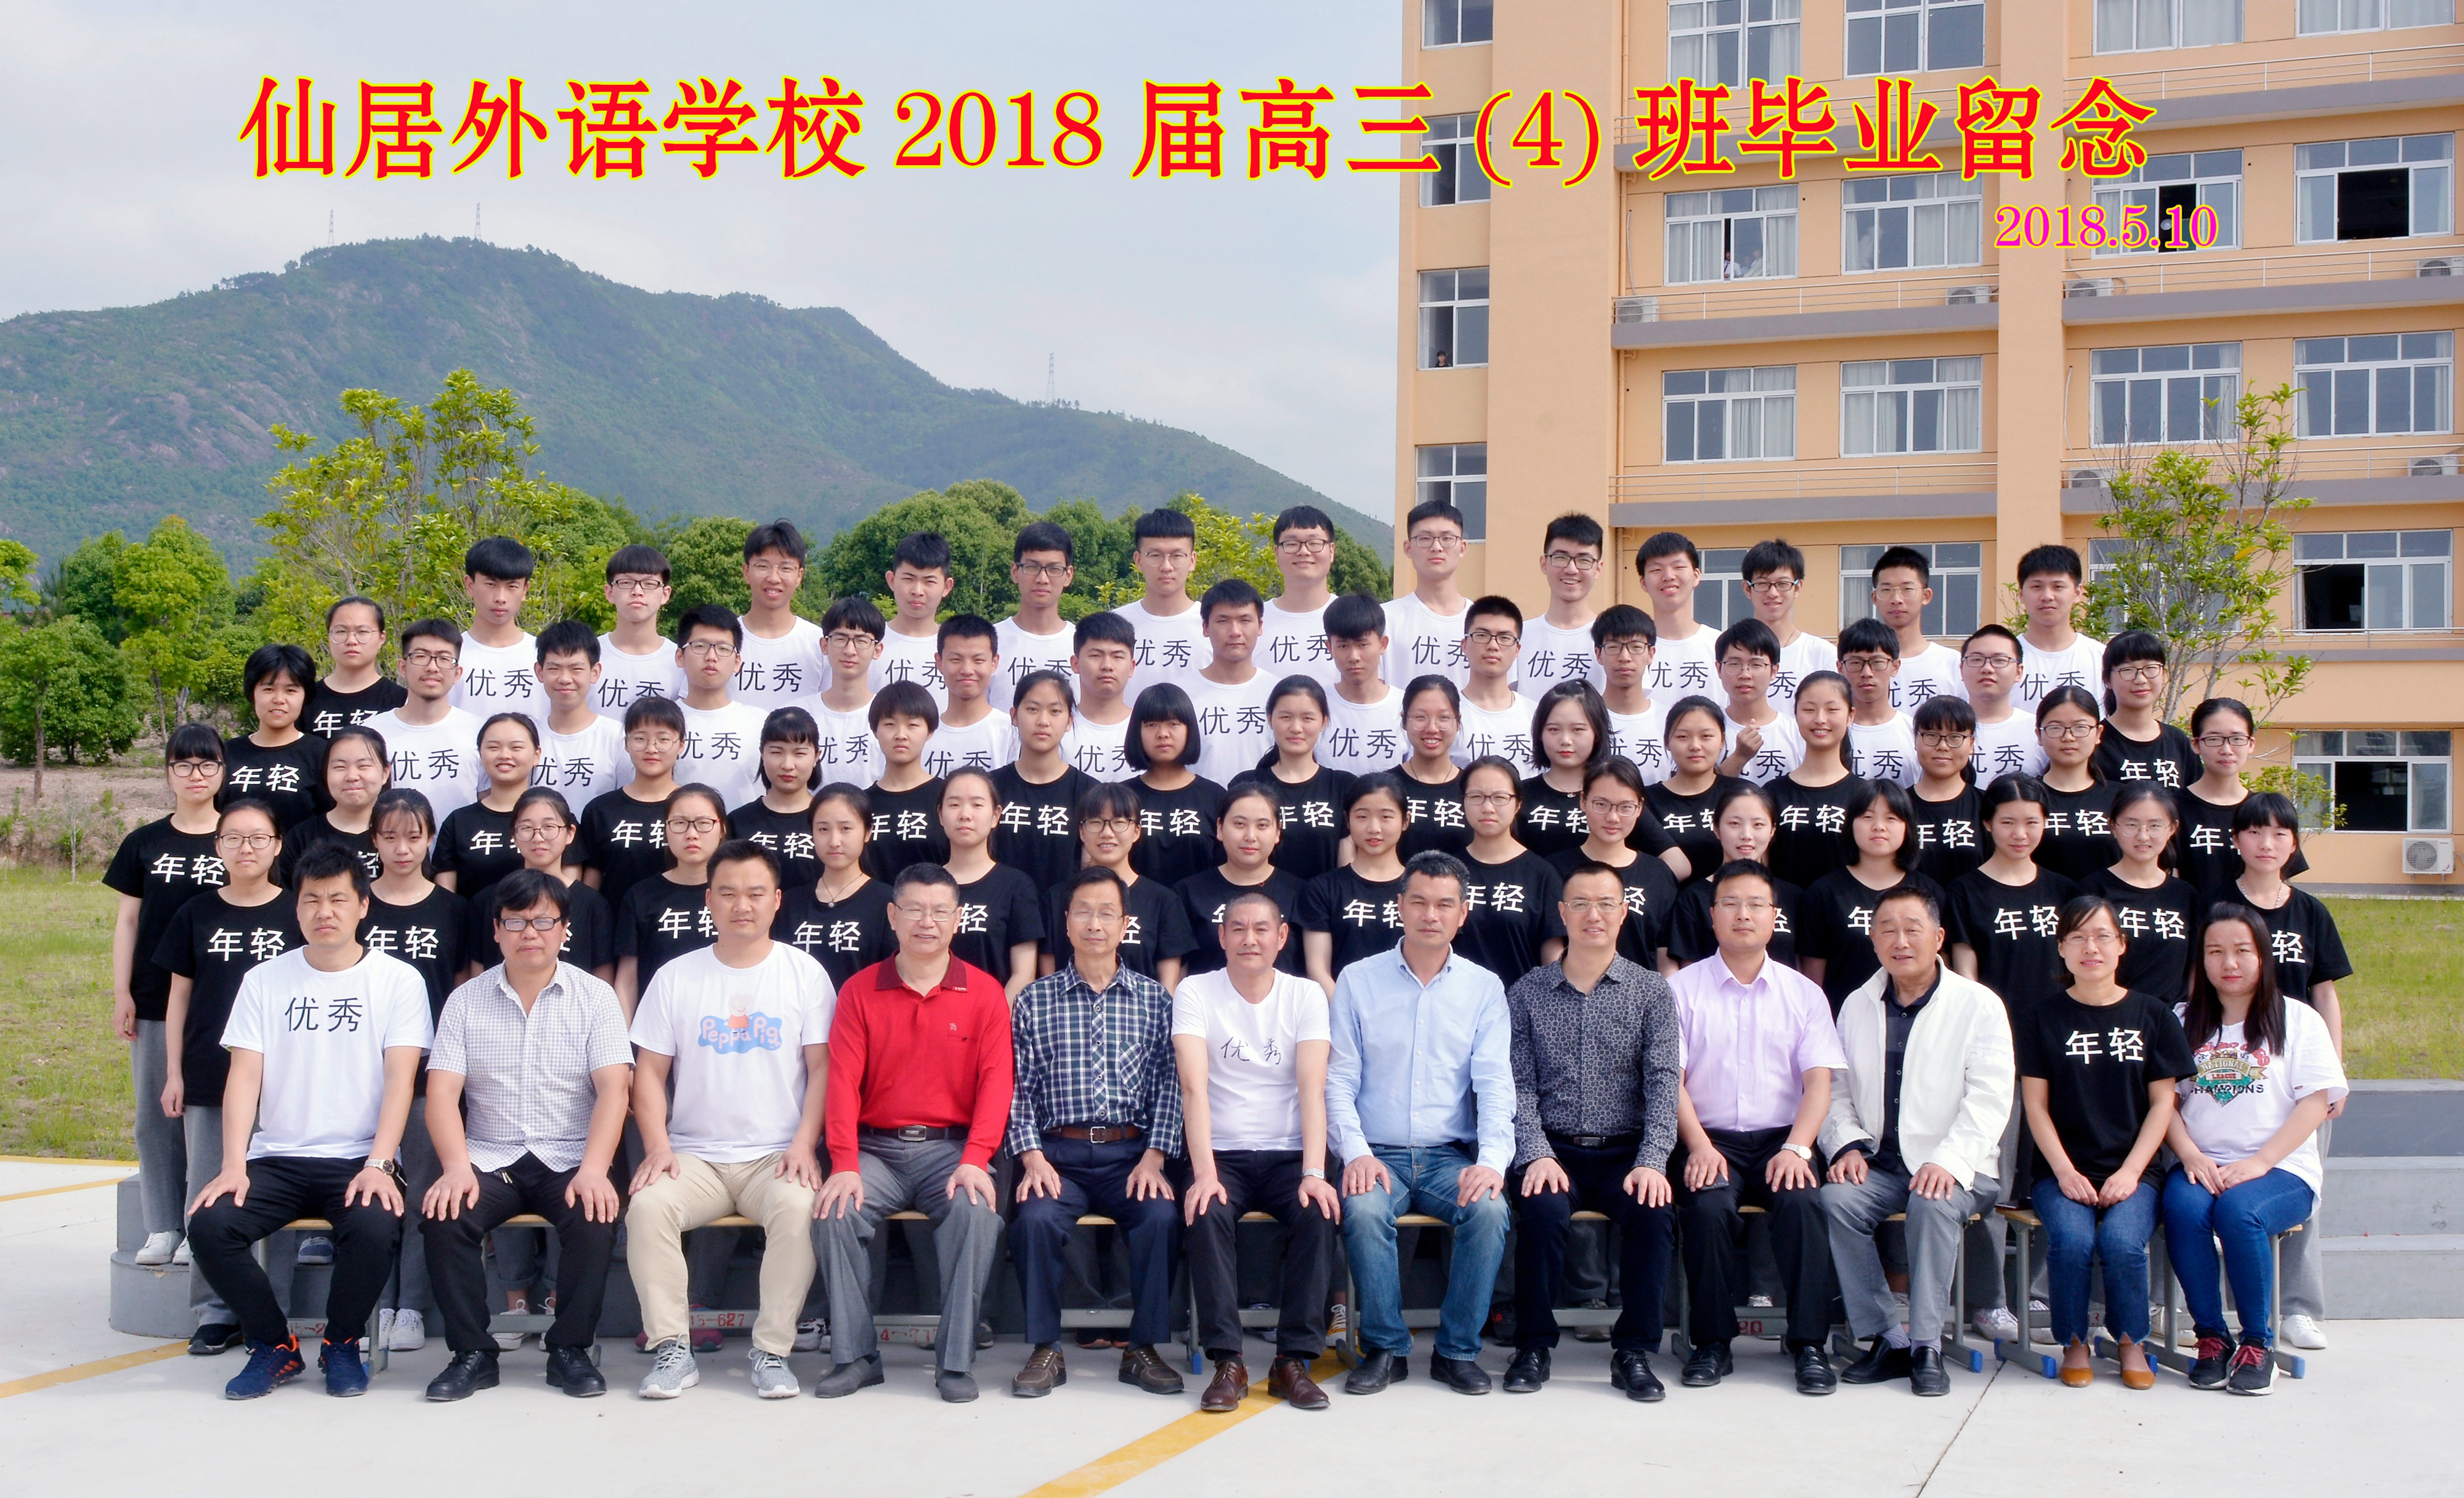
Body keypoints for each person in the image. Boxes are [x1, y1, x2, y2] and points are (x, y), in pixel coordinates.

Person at [184, 845, 432, 1399]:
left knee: (374, 1226)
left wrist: (380, 1163)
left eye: (338, 899)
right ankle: (274, 1345)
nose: (325, 911)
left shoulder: (398, 981)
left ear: (363, 906)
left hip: (359, 1157)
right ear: (295, 908)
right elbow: (244, 1078)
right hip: (277, 1157)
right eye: (312, 899)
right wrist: (233, 1164)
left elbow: (401, 1080)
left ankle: (342, 1343)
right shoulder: (264, 981)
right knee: (210, 1225)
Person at [625, 841, 835, 1400]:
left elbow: (822, 1069)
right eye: (729, 893)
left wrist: (804, 1143)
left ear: (776, 901)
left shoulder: (804, 974)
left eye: (755, 893)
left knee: (799, 1209)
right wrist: (658, 1147)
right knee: (648, 1208)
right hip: (694, 1157)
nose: (742, 905)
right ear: (709, 900)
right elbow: (648, 1074)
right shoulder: (677, 976)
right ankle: (672, 1349)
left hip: (776, 1155)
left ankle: (772, 1352)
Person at [418, 869, 634, 1401]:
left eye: (543, 921)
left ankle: (570, 1350)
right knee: (446, 1216)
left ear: (565, 930)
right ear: (496, 930)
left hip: (569, 1156)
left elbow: (614, 1090)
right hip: (491, 1159)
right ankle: (472, 1354)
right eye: (515, 922)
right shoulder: (466, 1001)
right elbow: (442, 1094)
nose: (529, 933)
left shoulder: (596, 997)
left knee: (594, 1216)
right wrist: (456, 1168)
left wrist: (594, 1169)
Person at [814, 863, 1014, 1404]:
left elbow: (997, 1084)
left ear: (957, 919)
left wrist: (976, 1157)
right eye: (915, 910)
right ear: (892, 916)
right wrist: (844, 1162)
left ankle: (956, 1360)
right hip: (875, 1149)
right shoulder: (860, 990)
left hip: (951, 1150)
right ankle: (855, 1357)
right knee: (834, 1212)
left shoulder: (984, 993)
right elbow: (842, 1082)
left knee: (976, 1212)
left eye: (940, 911)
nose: (928, 922)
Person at [1327, 852, 1514, 1396]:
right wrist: (1357, 1153)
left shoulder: (1483, 987)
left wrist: (1491, 1163)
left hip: (1447, 1158)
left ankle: (1457, 1351)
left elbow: (1495, 1084)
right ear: (1400, 906)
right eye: (1420, 902)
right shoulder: (1358, 980)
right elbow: (1338, 1081)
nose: (1431, 915)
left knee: (1489, 1209)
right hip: (1376, 1153)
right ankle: (1386, 1348)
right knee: (1364, 1210)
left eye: (1444, 905)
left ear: (1463, 913)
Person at [1819, 886, 2014, 1397]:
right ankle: (1890, 1337)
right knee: (1836, 1201)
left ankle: (1928, 1345)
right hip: (1882, 1165)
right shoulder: (1858, 1004)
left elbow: (1991, 1098)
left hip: (1961, 1166)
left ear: (1939, 938)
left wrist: (1948, 1161)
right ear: (1873, 939)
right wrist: (1847, 1146)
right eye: (1888, 930)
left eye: (1912, 929)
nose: (1900, 941)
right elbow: (1835, 1089)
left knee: (1931, 1203)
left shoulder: (1978, 1005)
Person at [1006, 867, 1188, 1398]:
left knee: (1160, 1218)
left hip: (1131, 1154)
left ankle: (1143, 1349)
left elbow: (1171, 1084)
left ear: (1125, 923)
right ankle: (1045, 1349)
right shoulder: (1035, 1000)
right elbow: (1017, 1088)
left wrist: (1155, 1156)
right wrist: (1031, 1157)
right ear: (1066, 922)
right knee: (1035, 1221)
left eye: (1107, 913)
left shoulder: (1155, 1000)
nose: (1094, 924)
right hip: (1057, 1154)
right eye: (1083, 912)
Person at [1503, 859, 1681, 1400]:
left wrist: (1652, 1160)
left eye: (1606, 904)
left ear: (1624, 913)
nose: (1593, 915)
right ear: (1563, 912)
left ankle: (1634, 1352)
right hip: (1553, 1149)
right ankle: (1533, 1345)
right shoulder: (1528, 991)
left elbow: (1664, 1082)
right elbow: (1518, 1084)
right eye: (1581, 903)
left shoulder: (1651, 991)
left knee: (1653, 1212)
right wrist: (1536, 1152)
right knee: (1540, 1211)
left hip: (1626, 1151)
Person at [1667, 857, 1845, 1394]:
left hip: (1782, 1140)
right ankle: (1712, 1343)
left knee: (1804, 1206)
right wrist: (1698, 1146)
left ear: (1774, 916)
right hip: (1708, 1136)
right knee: (1708, 1209)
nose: (1743, 914)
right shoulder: (1680, 989)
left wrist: (1798, 1148)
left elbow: (1819, 1084)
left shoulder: (1804, 994)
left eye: (1755, 905)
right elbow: (1670, 1081)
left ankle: (1809, 1345)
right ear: (1712, 915)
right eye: (1730, 904)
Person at [2164, 904, 2349, 1395]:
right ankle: (2211, 1338)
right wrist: (2190, 1155)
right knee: (2183, 1209)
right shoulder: (2181, 1020)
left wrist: (2260, 1162)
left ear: (2264, 956)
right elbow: (2165, 1104)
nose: (2229, 963)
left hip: (2281, 1169)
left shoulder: (2299, 1019)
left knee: (2239, 1212)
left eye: (2242, 951)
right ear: (2201, 960)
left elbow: (2315, 1104)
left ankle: (2257, 1344)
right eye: (2215, 952)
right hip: (2202, 1164)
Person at [2014, 896, 2194, 1389]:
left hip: (2135, 1171)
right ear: (2061, 948)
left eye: (2102, 937)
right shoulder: (2040, 1017)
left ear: (2121, 945)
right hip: (2061, 1170)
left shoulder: (2154, 1015)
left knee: (2122, 1243)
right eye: (2077, 938)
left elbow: (2163, 1104)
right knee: (2072, 1242)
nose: (2090, 948)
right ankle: (2074, 1340)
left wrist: (2131, 1172)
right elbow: (2035, 1106)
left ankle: (2131, 1340)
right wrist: (2065, 1171)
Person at [1175, 888, 1340, 1412]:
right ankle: (1229, 1361)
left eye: (1262, 929)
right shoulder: (1196, 991)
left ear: (1282, 936)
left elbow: (1313, 1088)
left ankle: (1293, 1361)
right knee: (1206, 1211)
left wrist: (1314, 1171)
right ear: (1222, 936)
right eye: (1238, 928)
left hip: (1289, 1154)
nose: (1250, 939)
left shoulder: (1305, 995)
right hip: (1221, 1153)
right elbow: (1193, 1088)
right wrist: (1205, 1173)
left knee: (1318, 1211)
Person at [155, 798, 298, 1353]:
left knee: (277, 1197)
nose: (246, 848)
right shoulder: (196, 912)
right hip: (210, 1072)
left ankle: (272, 1310)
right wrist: (173, 1072)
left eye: (258, 838)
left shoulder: (297, 912)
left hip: (283, 1081)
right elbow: (179, 998)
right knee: (206, 1192)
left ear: (277, 846)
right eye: (234, 838)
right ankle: (213, 1311)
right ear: (218, 847)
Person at [2225, 793, 2351, 1352]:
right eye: (2255, 832)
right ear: (2236, 840)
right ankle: (2224, 1307)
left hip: (2300, 1074)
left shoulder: (2310, 912)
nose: (2266, 843)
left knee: (2301, 1186)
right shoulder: (2216, 906)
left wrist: (2333, 1073)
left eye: (2280, 834)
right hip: (2230, 1072)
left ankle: (2298, 1308)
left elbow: (2325, 993)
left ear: (2294, 845)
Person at [107, 723, 228, 1275]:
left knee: (210, 1118)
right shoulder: (145, 842)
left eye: (206, 764)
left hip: (223, 1000)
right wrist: (122, 991)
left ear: (222, 771)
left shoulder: (240, 836)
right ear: (168, 773)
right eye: (183, 765)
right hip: (156, 997)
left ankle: (201, 1224)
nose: (195, 775)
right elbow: (128, 921)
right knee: (156, 1114)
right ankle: (162, 1224)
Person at [359, 787, 468, 1354]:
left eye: (414, 836)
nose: (402, 849)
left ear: (430, 840)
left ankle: (412, 1308)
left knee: (423, 1189)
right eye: (390, 836)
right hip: (362, 1074)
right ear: (374, 840)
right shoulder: (356, 906)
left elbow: (464, 989)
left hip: (431, 1076)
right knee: (373, 1189)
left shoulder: (453, 910)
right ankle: (376, 1303)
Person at [1947, 776, 2077, 1013]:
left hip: (2057, 1022)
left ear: (2045, 822)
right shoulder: (1964, 892)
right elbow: (1966, 973)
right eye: (2007, 823)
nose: (2020, 834)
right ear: (1988, 823)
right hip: (1994, 1022)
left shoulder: (2063, 890)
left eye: (2031, 822)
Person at [1044, 781, 1195, 986]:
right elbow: (1048, 981)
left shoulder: (1164, 902)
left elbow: (1168, 988)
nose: (1107, 833)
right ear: (1081, 832)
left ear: (1136, 831)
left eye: (1119, 822)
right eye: (1095, 822)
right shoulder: (1056, 898)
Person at [466, 788, 617, 979]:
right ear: (514, 836)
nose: (538, 837)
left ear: (570, 833)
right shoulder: (488, 901)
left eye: (549, 827)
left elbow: (602, 977)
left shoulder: (592, 904)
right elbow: (478, 976)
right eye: (527, 828)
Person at [1549, 758, 1678, 973]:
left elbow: (1664, 954)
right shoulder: (1553, 870)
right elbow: (1551, 950)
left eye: (1626, 807)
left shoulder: (1658, 874)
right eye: (1601, 805)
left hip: (1641, 992)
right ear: (1583, 801)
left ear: (1640, 808)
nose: (1613, 817)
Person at [2179, 698, 2310, 902]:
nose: (2227, 749)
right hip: (2192, 919)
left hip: (2253, 921)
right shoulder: (2172, 808)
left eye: (2237, 739)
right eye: (2214, 739)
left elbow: (2281, 881)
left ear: (2251, 744)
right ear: (2196, 744)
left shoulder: (2264, 810)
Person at [1666, 782, 1805, 972]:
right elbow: (1688, 973)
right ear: (1716, 828)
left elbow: (1803, 967)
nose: (1746, 835)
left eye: (1758, 825)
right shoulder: (1693, 899)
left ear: (1772, 830)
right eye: (1734, 824)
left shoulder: (1794, 897)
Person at [1454, 756, 1566, 990]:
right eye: (1476, 797)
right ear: (1463, 802)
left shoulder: (1542, 875)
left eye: (1500, 798)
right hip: (1456, 1004)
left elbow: (1553, 962)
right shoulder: (1448, 871)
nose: (1488, 807)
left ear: (1517, 805)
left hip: (1520, 1006)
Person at [614, 785, 728, 1013]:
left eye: (704, 823)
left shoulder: (738, 895)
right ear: (666, 830)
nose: (692, 834)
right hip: (658, 1023)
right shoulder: (641, 896)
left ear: (722, 829)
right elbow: (627, 981)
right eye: (680, 823)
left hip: (725, 1023)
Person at [772, 784, 898, 989]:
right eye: (823, 829)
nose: (834, 841)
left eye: (845, 829)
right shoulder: (790, 904)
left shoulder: (888, 903)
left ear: (868, 832)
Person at [1230, 676, 1353, 882]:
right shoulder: (1247, 785)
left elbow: (1347, 866)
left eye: (1308, 718)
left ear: (1324, 722)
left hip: (1323, 901)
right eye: (1286, 717)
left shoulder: (1342, 787)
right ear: (1270, 719)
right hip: (1260, 901)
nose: (1296, 728)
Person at [937, 767, 1046, 998]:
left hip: (995, 1015)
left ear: (996, 816)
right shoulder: (925, 885)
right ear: (940, 815)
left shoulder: (1017, 886)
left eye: (977, 805)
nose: (965, 814)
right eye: (954, 805)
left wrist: (994, 1018)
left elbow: (1023, 975)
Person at [1178, 782, 1307, 978]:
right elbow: (1178, 974)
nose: (1250, 836)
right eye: (1240, 824)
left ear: (1277, 833)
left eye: (1262, 825)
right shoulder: (1188, 893)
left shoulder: (1301, 893)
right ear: (1220, 828)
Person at [2089, 785, 2201, 1008]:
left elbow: (2194, 967)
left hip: (2173, 1018)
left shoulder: (2185, 895)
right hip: (2111, 1015)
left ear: (2172, 828)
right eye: (2131, 825)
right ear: (2113, 826)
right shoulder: (2093, 890)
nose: (2143, 836)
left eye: (2155, 826)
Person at [1299, 773, 1412, 994]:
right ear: (1347, 820)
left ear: (1405, 821)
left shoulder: (1421, 888)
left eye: (1386, 817)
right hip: (1342, 1009)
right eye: (1362, 817)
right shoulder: (1323, 890)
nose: (1374, 828)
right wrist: (1348, 1011)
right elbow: (1318, 970)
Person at [989, 671, 1100, 894]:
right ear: (1014, 716)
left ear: (1069, 721)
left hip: (1065, 912)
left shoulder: (1090, 793)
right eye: (1032, 709)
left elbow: (1094, 869)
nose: (1043, 721)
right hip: (998, 910)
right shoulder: (989, 788)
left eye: (1055, 711)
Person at [367, 618, 484, 822]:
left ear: (458, 673)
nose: (432, 667)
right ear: (402, 667)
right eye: (421, 656)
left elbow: (488, 802)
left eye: (444, 659)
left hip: (460, 843)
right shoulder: (372, 733)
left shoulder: (480, 732)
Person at [579, 696, 687, 913]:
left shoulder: (695, 809)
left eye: (663, 739)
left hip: (678, 923)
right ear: (627, 744)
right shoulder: (601, 810)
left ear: (681, 745)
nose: (651, 748)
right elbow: (592, 881)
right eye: (640, 739)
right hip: (616, 925)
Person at [1124, 682, 1226, 886]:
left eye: (1173, 724)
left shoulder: (1215, 797)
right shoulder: (1122, 797)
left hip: (1201, 906)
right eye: (1151, 725)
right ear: (1137, 732)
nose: (1163, 734)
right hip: (1134, 905)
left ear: (1189, 730)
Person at [1766, 671, 1860, 890]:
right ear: (1796, 714)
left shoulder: (1864, 796)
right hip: (1783, 909)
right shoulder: (1773, 794)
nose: (1820, 719)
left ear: (1851, 716)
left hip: (1844, 908)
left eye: (1832, 710)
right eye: (1809, 710)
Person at [221, 643, 327, 833]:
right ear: (252, 693)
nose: (279, 699)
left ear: (305, 696)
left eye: (291, 691)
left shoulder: (323, 755)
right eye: (269, 689)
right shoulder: (226, 753)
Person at [670, 604, 769, 807]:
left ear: (737, 662)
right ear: (680, 656)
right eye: (700, 646)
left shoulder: (761, 723)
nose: (711, 657)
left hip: (745, 828)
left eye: (723, 649)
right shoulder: (662, 723)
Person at [434, 713, 541, 894]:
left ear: (537, 755)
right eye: (493, 747)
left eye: (516, 748)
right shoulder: (459, 822)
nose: (505, 755)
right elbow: (446, 899)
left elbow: (571, 890)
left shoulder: (555, 820)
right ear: (480, 754)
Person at [1645, 694, 1747, 882]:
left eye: (1706, 736)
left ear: (1722, 741)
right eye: (1683, 737)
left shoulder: (1742, 795)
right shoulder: (1646, 801)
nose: (1695, 746)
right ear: (1667, 742)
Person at [532, 621, 632, 813]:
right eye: (554, 669)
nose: (565, 679)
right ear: (540, 672)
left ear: (595, 672)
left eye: (576, 669)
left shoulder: (618, 738)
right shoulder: (526, 737)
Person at [1185, 578, 1276, 785]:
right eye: (1223, 621)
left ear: (1260, 626)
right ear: (1205, 627)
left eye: (1245, 620)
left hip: (1266, 804)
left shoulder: (1279, 693)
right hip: (1199, 804)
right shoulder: (1182, 694)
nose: (1235, 631)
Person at [275, 724, 389, 887]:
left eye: (363, 766)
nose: (352, 776)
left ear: (385, 773)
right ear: (326, 773)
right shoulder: (301, 838)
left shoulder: (400, 835)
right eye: (340, 767)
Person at [726, 708, 825, 892]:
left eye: (799, 753)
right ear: (762, 753)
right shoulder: (738, 822)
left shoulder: (830, 820)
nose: (787, 765)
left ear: (817, 756)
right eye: (777, 752)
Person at [733, 520, 825, 716]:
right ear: (746, 572)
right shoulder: (723, 641)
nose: (774, 578)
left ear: (799, 576)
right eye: (763, 566)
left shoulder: (820, 644)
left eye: (786, 568)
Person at [1119, 508, 1212, 698]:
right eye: (1155, 556)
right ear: (1138, 560)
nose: (1167, 567)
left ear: (1192, 560)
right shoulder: (1117, 623)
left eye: (1177, 556)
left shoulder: (1213, 625)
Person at [862, 680, 950, 881]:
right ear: (875, 731)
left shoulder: (948, 798)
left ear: (930, 731)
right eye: (890, 725)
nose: (901, 735)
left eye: (912, 725)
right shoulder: (862, 804)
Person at [448, 536, 545, 719]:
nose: (501, 598)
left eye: (512, 586)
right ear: (470, 585)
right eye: (491, 584)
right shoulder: (448, 657)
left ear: (525, 590)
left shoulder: (545, 657)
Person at [1515, 512, 1608, 697]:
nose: (1571, 569)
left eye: (1584, 560)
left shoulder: (1613, 641)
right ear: (1544, 563)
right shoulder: (1519, 637)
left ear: (1598, 569)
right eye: (1561, 558)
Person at [2093, 631, 2199, 790]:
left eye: (2150, 668)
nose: (2140, 679)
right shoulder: (2095, 741)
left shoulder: (2178, 741)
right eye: (2128, 670)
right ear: (2107, 680)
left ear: (2163, 674)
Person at [1517, 681, 1610, 862]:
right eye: (1554, 730)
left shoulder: (1615, 795)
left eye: (1578, 730)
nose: (1566, 740)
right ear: (1539, 734)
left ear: (1597, 733)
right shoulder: (1519, 795)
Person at [1384, 498, 1472, 688]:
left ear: (1463, 547)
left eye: (1447, 538)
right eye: (1425, 538)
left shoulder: (1482, 624)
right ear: (1408, 548)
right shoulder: (1385, 620)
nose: (1437, 547)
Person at [992, 520, 1079, 710]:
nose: (1042, 579)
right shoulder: (990, 642)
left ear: (1068, 575)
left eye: (1054, 569)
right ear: (1015, 572)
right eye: (1032, 567)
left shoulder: (1083, 646)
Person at [1741, 538, 1836, 712]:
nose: (1773, 593)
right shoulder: (1732, 655)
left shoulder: (1822, 655)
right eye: (1763, 584)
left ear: (1797, 588)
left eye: (1782, 584)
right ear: (1748, 589)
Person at [1865, 546, 1964, 711]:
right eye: (1886, 590)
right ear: (1875, 598)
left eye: (1908, 589)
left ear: (1926, 596)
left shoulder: (1952, 664)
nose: (1896, 599)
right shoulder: (1860, 666)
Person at [2036, 686, 2119, 882]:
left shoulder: (2121, 799)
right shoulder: (2025, 798)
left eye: (2080, 727)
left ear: (2098, 733)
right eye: (2056, 728)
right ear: (2039, 734)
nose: (2068, 737)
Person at [594, 545, 687, 719]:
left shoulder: (682, 662)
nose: (637, 592)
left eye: (649, 584)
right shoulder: (588, 656)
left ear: (665, 594)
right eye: (626, 583)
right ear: (610, 592)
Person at [1257, 504, 1341, 688]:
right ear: (1276, 552)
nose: (1304, 551)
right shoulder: (1253, 622)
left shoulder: (1355, 617)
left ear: (1331, 551)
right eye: (1292, 544)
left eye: (1314, 543)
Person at [2014, 545, 2104, 714]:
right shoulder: (2003, 661)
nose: (2047, 596)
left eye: (2058, 587)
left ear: (2078, 593)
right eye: (2037, 587)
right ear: (2021, 594)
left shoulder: (2101, 659)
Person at [1319, 593, 1403, 775]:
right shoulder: (1317, 706)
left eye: (1362, 645)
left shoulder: (1405, 707)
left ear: (1383, 644)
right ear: (1329, 648)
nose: (1354, 657)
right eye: (1343, 646)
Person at [926, 613, 1019, 775]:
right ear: (939, 662)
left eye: (978, 661)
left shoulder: (1011, 732)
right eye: (956, 660)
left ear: (994, 663)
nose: (967, 670)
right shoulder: (922, 734)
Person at [1909, 695, 1987, 888]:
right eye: (1931, 735)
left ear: (1971, 744)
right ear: (1916, 740)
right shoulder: (1896, 807)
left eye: (1955, 737)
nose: (1943, 746)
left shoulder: (1988, 806)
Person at [1714, 620, 1804, 786]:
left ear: (1774, 671)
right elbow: (1700, 791)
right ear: (1719, 669)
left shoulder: (1797, 733)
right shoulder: (1707, 731)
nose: (1745, 674)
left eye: (1756, 665)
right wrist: (1739, 757)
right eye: (1734, 664)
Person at [875, 530, 957, 706]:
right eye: (909, 579)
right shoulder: (868, 644)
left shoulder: (957, 648)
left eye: (929, 582)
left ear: (947, 586)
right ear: (891, 580)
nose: (918, 591)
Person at [304, 596, 408, 735]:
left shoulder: (401, 701)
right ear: (329, 637)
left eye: (362, 632)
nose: (351, 640)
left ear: (382, 638)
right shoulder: (306, 700)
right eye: (341, 632)